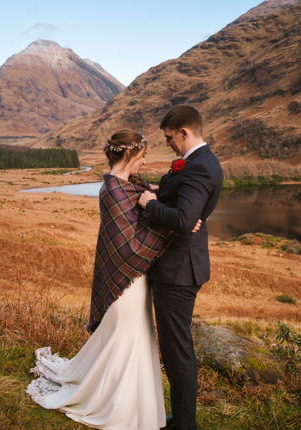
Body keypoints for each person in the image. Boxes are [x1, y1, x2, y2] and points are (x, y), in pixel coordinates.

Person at [26, 129, 200, 430]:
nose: (144, 163)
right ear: (130, 154)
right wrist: (175, 227)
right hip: (127, 285)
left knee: (137, 341)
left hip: (135, 282)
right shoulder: (114, 191)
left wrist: (167, 207)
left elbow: (149, 202)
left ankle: (138, 407)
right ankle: (117, 405)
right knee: (127, 342)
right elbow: (129, 247)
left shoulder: (130, 186)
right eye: (142, 156)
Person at [138, 105, 223, 430]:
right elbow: (187, 205)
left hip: (178, 271)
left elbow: (185, 221)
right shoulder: (201, 162)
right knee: (177, 349)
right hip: (181, 266)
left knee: (177, 353)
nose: (169, 144)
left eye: (170, 138)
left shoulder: (199, 168)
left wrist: (151, 204)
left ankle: (184, 425)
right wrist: (166, 192)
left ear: (184, 133)